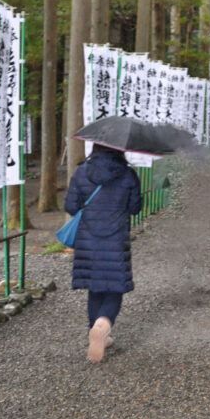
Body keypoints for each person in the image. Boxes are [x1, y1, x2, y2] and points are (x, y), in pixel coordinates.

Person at [64, 142, 142, 363]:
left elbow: (71, 206)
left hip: (88, 240)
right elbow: (136, 207)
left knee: (95, 287)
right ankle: (102, 326)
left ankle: (95, 332)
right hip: (116, 241)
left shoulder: (81, 172)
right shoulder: (128, 175)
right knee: (114, 288)